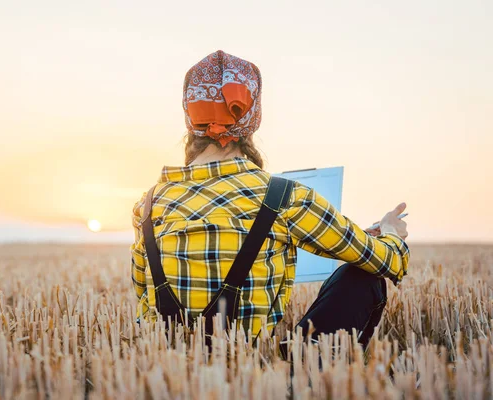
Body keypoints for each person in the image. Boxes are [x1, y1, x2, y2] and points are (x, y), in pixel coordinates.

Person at [130, 50, 409, 350]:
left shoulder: (147, 205)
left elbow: (144, 299)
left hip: (166, 375)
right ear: (253, 118)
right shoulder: (286, 197)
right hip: (258, 377)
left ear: (189, 117)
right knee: (364, 278)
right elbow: (389, 262)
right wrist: (391, 232)